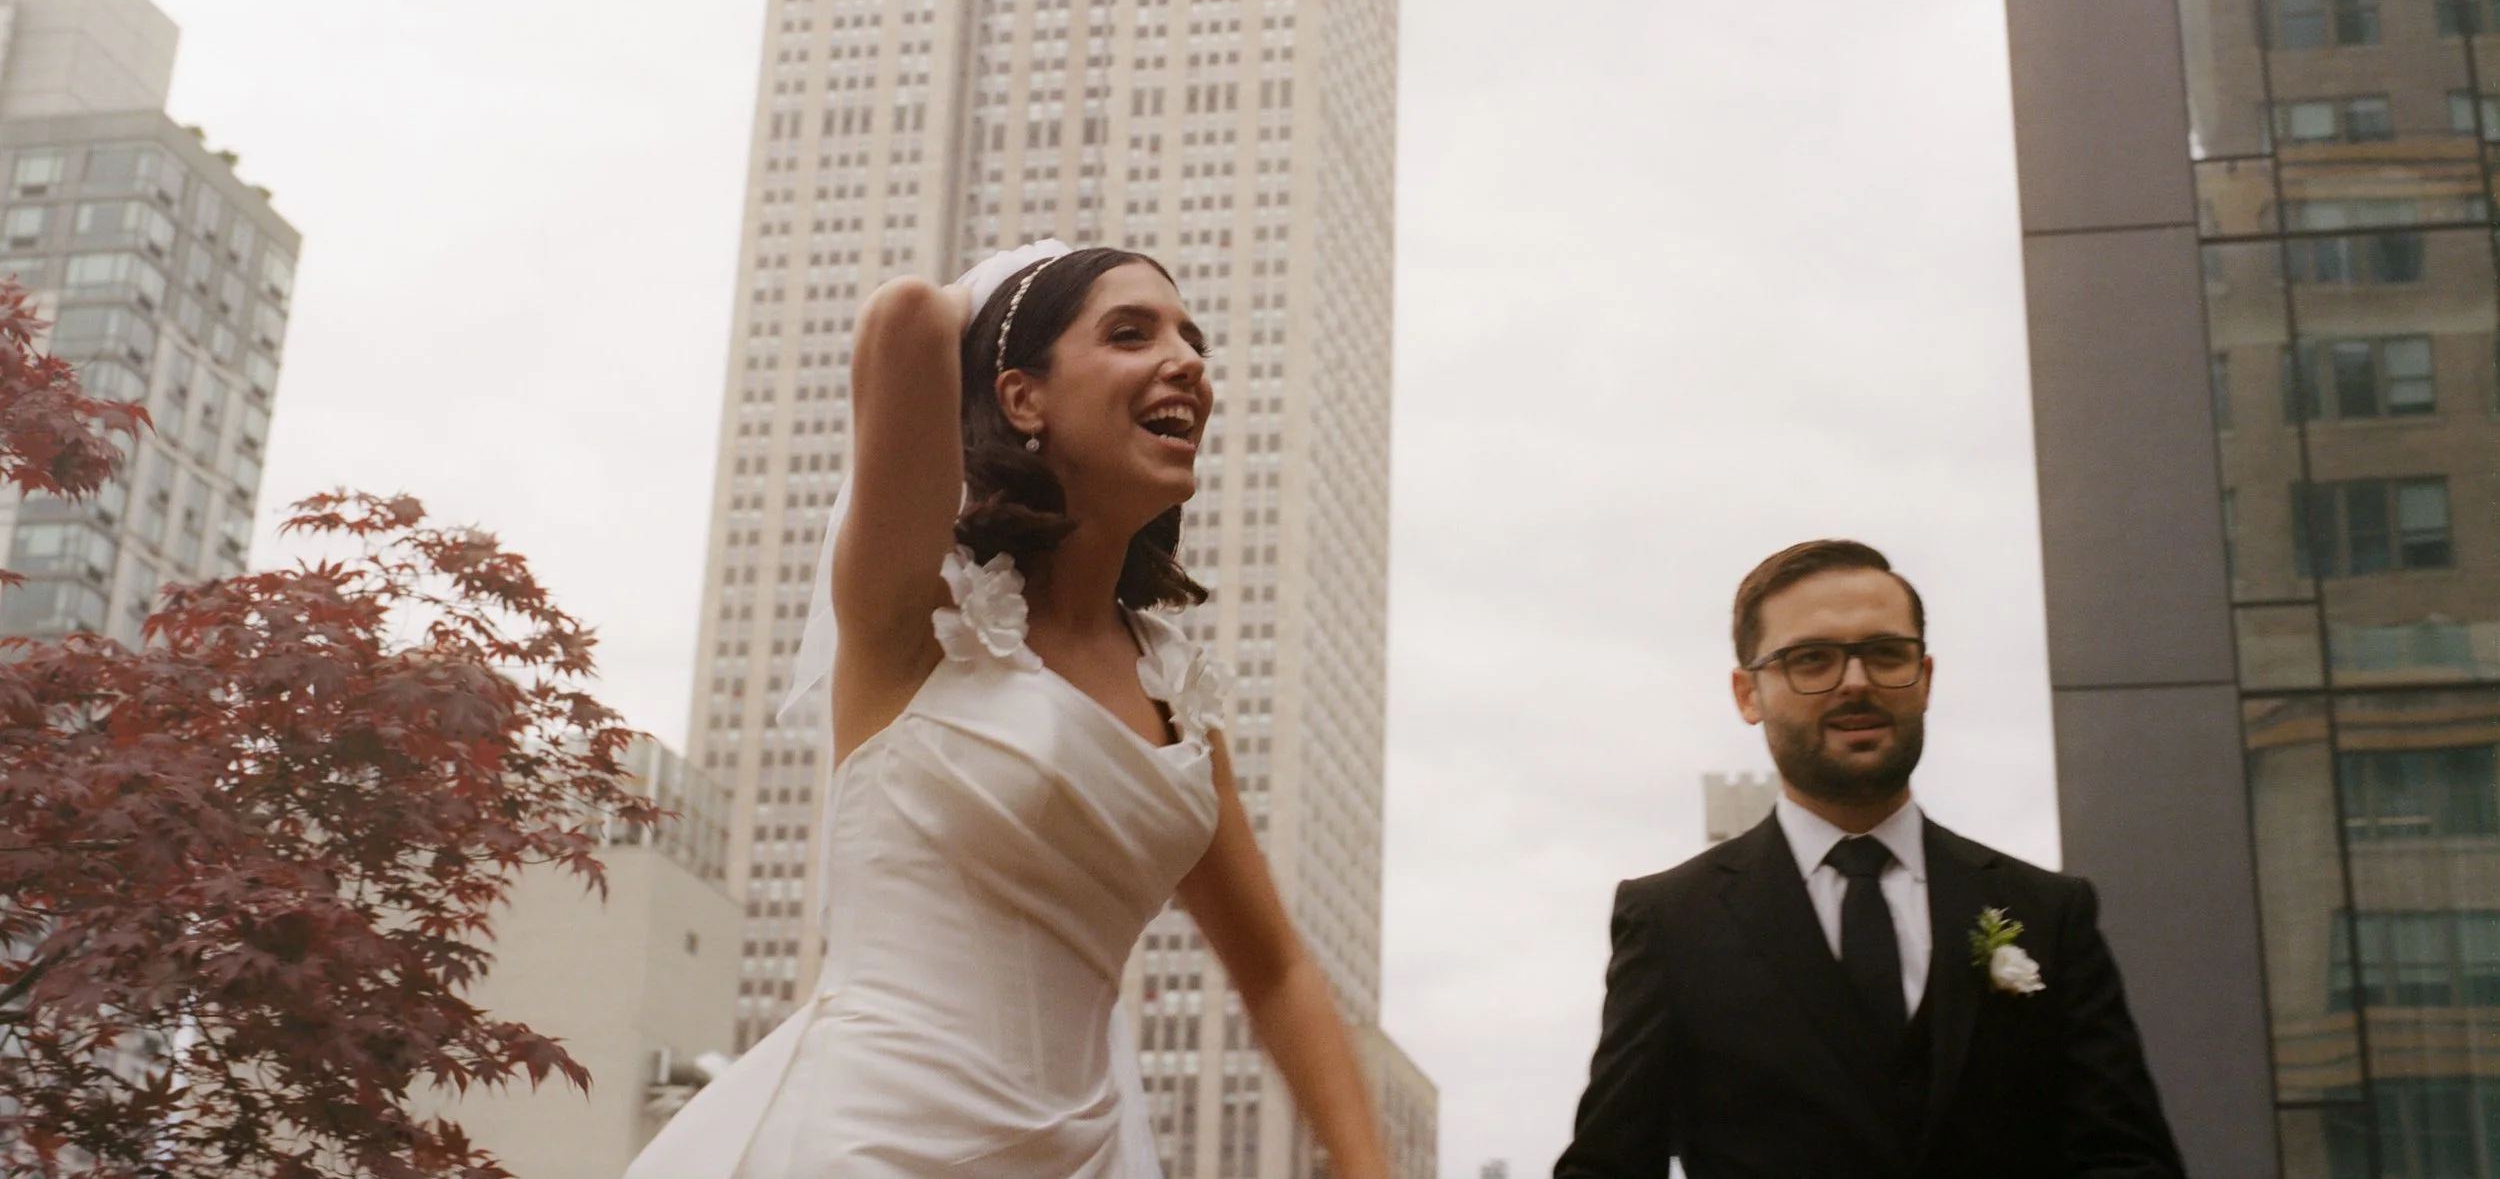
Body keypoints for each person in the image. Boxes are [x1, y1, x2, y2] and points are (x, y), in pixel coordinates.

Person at [631, 240, 1388, 1179]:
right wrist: (1007, 288)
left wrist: (1369, 1167)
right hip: (869, 1144)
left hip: (1086, 1156)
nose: (1188, 359)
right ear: (1023, 396)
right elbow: (903, 316)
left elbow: (1277, 968)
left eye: (1193, 337)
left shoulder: (1178, 696)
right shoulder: (912, 611)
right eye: (1130, 330)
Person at [1555, 539, 2183, 1179]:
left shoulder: (2049, 912)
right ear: (1748, 694)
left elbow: (2126, 1158)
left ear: (1926, 678)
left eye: (1886, 653)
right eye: (1811, 659)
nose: (1856, 682)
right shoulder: (1671, 922)